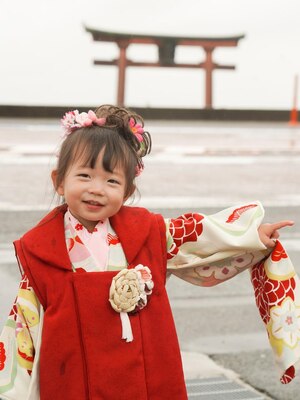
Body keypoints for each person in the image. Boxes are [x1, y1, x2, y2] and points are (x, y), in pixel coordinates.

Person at [0, 105, 298, 400]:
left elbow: (198, 235)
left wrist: (250, 236)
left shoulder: (147, 232)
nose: (97, 189)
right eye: (85, 176)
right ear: (60, 181)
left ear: (128, 192)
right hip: (75, 381)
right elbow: (22, 330)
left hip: (144, 377)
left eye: (112, 180)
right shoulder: (42, 251)